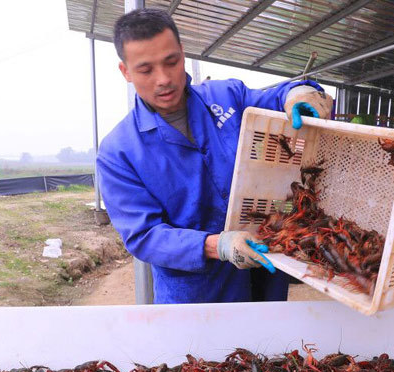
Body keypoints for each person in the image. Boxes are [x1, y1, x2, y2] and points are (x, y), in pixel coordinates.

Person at [96, 8, 333, 304]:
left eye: (171, 62)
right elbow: (144, 236)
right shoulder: (118, 152)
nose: (164, 79)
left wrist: (298, 94)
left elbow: (276, 99)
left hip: (265, 267)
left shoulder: (227, 97)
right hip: (197, 293)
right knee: (201, 350)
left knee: (271, 344)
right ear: (126, 72)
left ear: (182, 53)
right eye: (146, 70)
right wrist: (217, 245)